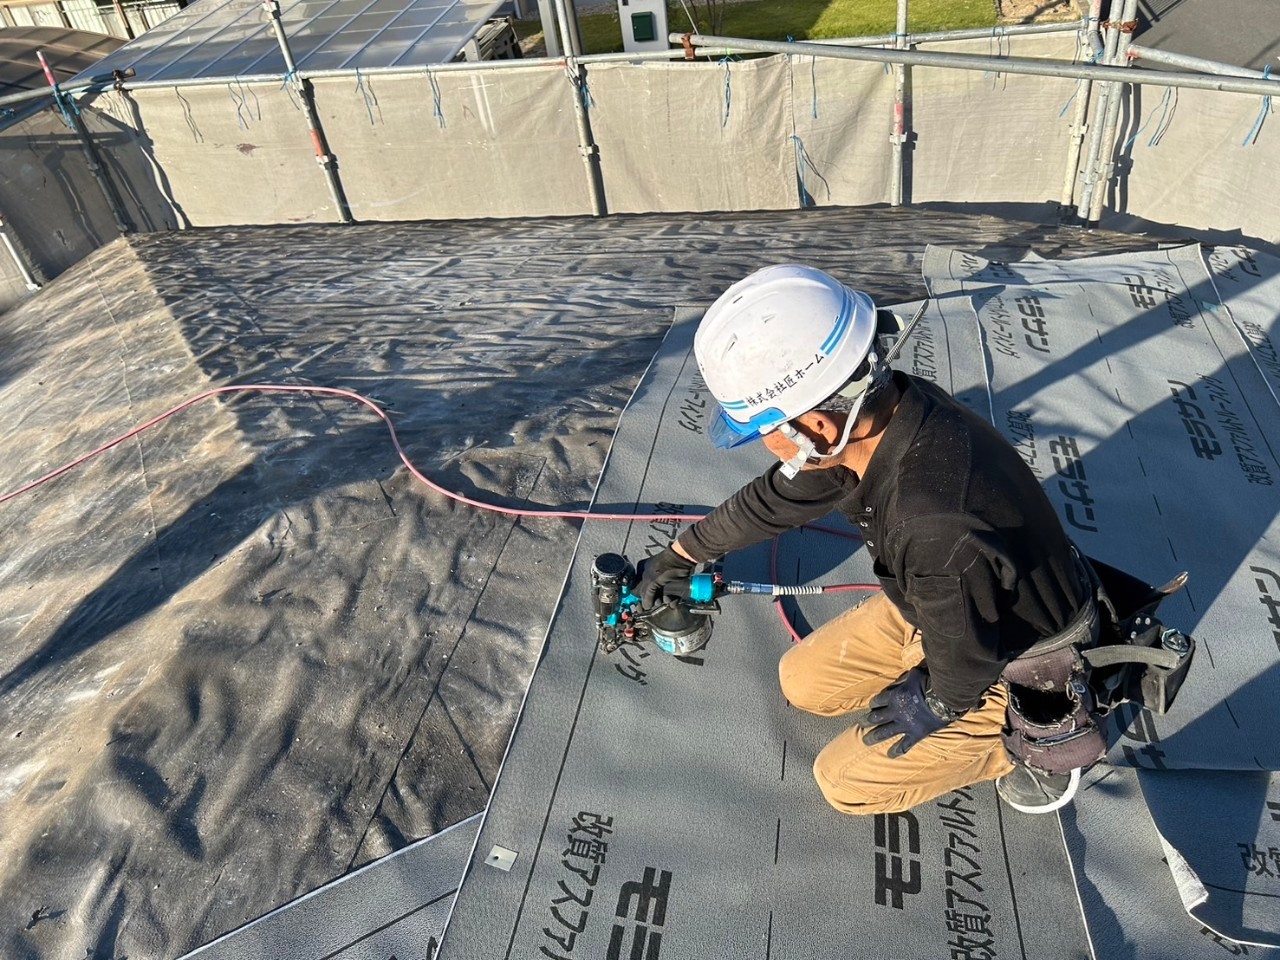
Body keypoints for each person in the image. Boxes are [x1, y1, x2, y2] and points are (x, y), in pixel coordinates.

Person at [636, 264, 1101, 816]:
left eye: (763, 432)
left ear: (816, 429)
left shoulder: (932, 522)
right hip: (950, 600)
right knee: (802, 683)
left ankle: (1031, 745)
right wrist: (682, 554)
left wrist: (936, 701)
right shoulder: (889, 412)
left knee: (844, 783)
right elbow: (777, 498)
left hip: (1012, 647)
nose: (765, 447)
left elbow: (966, 657)